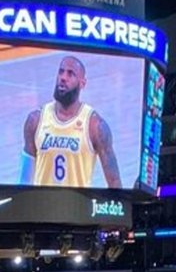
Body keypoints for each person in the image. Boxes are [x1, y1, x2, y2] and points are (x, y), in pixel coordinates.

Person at [20, 55, 122, 188]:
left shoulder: (94, 126)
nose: (63, 77)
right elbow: (24, 180)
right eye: (61, 72)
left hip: (78, 201)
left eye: (71, 74)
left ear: (82, 83)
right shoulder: (35, 120)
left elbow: (114, 182)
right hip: (43, 200)